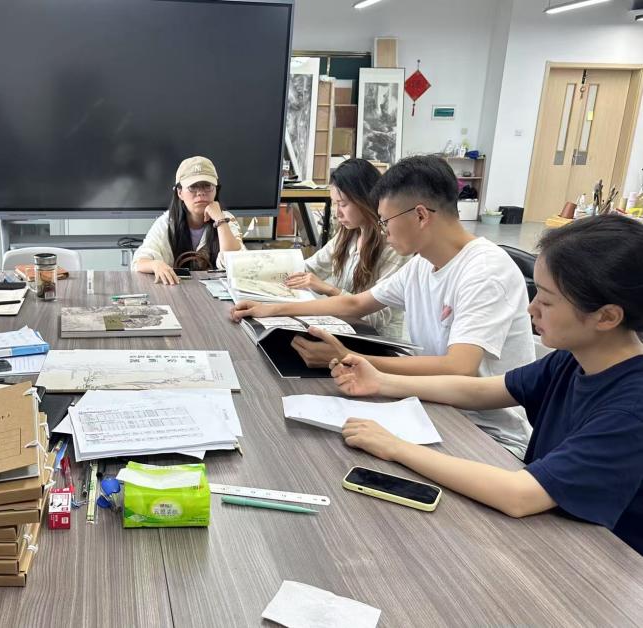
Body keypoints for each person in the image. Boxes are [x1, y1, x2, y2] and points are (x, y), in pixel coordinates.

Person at [332, 214, 643, 555]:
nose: (531, 309)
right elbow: (482, 390)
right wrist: (381, 382)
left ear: (606, 317)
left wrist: (394, 446)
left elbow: (518, 495)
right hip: (551, 530)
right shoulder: (574, 359)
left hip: (603, 561)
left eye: (546, 300)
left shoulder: (631, 410)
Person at [231, 155, 535, 456]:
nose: (383, 230)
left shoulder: (485, 271)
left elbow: (459, 367)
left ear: (420, 215)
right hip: (432, 406)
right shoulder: (421, 265)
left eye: (386, 220)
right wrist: (270, 309)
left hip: (487, 435)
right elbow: (355, 304)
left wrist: (350, 357)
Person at [284, 158, 410, 338]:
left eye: (343, 204)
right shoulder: (348, 235)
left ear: (365, 199)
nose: (337, 213)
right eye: (335, 204)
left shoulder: (393, 247)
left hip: (374, 340)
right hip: (343, 329)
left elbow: (378, 318)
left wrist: (329, 290)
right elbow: (309, 267)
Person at [131, 156, 243, 284]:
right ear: (180, 193)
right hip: (177, 289)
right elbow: (139, 262)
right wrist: (155, 265)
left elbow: (237, 263)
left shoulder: (226, 219)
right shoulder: (167, 222)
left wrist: (220, 220)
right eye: (193, 187)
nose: (200, 193)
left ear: (216, 190)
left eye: (207, 186)